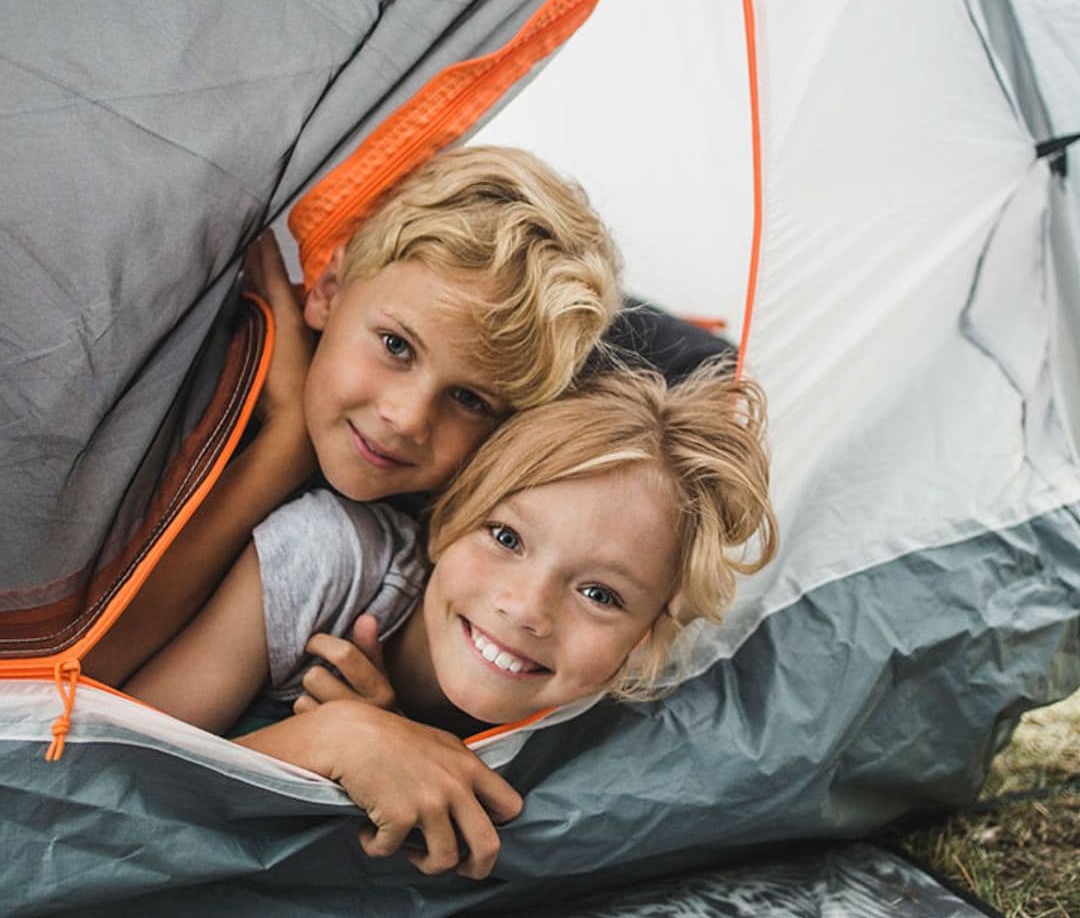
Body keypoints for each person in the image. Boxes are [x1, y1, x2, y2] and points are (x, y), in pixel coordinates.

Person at [124, 363, 779, 879]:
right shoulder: (330, 559)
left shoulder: (607, 741)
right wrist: (337, 741)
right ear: (447, 519)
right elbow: (109, 775)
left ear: (648, 639)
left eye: (601, 595)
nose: (524, 608)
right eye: (505, 536)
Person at [84, 145, 621, 688]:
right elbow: (71, 673)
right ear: (328, 291)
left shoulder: (429, 553)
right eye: (396, 345)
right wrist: (285, 445)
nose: (409, 418)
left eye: (470, 400)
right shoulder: (190, 385)